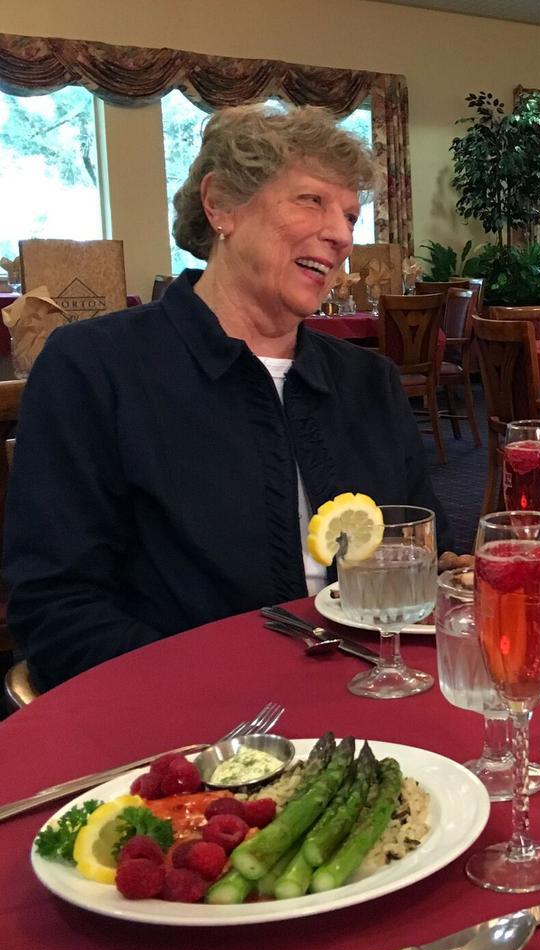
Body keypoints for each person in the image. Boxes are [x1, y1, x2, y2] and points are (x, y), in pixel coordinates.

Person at [5, 104, 447, 692]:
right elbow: (57, 607)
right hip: (189, 726)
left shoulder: (370, 382)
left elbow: (423, 558)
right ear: (221, 206)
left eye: (349, 213)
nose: (342, 235)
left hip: (372, 699)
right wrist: (221, 692)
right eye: (311, 201)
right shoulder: (95, 369)